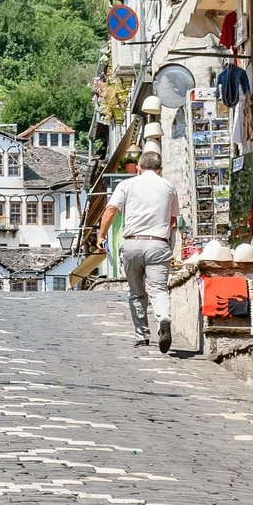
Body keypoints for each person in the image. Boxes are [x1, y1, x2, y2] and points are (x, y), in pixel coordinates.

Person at [97, 148, 180, 352]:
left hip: (133, 243)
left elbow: (111, 210)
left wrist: (101, 235)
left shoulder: (127, 184)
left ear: (139, 168)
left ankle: (142, 335)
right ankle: (164, 319)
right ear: (160, 169)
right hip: (158, 244)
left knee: (136, 292)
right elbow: (173, 220)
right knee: (159, 289)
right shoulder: (169, 186)